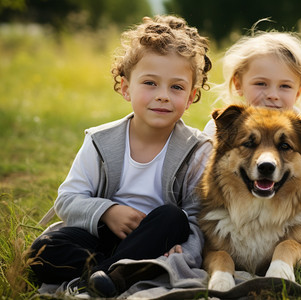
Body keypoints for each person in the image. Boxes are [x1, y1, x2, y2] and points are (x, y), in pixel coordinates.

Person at [28, 15, 212, 297]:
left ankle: (97, 278)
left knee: (173, 217)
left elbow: (197, 217)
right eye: (150, 83)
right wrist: (108, 212)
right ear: (126, 88)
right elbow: (67, 199)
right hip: (100, 236)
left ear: (190, 97)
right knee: (44, 251)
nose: (163, 95)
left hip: (157, 241)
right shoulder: (100, 141)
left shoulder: (197, 149)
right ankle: (114, 274)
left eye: (176, 87)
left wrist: (184, 252)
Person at [204, 28, 301, 223]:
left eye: (285, 86)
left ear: (298, 92)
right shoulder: (227, 123)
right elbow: (202, 164)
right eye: (261, 84)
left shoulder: (298, 126)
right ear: (238, 83)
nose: (273, 94)